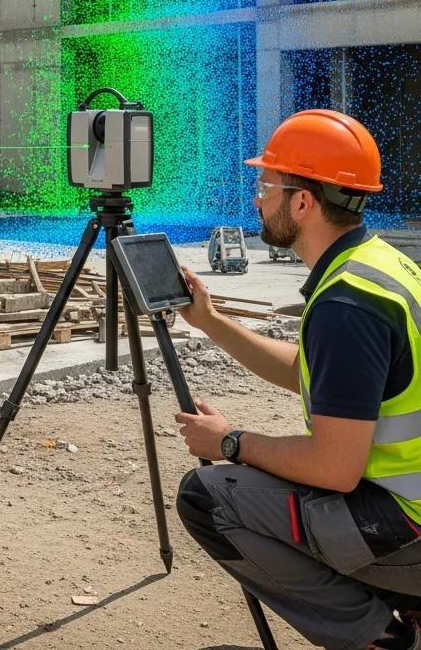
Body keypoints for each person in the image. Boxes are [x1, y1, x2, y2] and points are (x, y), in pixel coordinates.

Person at [174, 109, 421, 650]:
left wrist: (230, 442)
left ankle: (382, 639)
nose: (257, 201)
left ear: (303, 202)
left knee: (207, 497)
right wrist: (211, 321)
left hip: (408, 526)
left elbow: (334, 469)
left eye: (266, 187)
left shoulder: (347, 306)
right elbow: (313, 374)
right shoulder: (378, 263)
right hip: (409, 504)